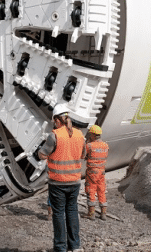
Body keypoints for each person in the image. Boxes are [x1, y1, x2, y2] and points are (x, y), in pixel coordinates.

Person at [37, 104, 86, 252]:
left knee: (58, 214)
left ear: (58, 120)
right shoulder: (79, 134)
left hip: (58, 182)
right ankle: (75, 246)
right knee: (72, 211)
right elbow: (83, 155)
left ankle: (60, 248)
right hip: (75, 181)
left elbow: (42, 154)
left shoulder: (55, 135)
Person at [84, 124, 109, 220]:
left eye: (90, 134)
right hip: (101, 172)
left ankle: (91, 214)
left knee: (91, 191)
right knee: (101, 191)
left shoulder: (89, 145)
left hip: (92, 172)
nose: (89, 136)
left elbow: (84, 156)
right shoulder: (106, 145)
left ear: (94, 135)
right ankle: (103, 214)